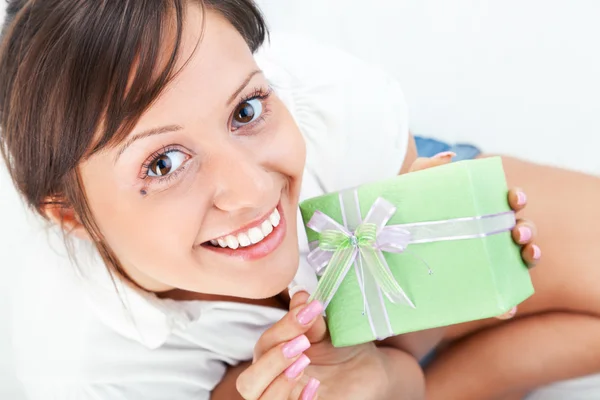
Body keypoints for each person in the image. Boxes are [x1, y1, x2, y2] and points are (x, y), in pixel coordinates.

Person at [1, 1, 598, 399]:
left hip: (367, 208)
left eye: (245, 110)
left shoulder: (331, 111)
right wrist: (374, 380)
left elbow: (400, 350)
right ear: (72, 215)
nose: (255, 190)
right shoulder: (88, 370)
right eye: (163, 163)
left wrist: (440, 290)